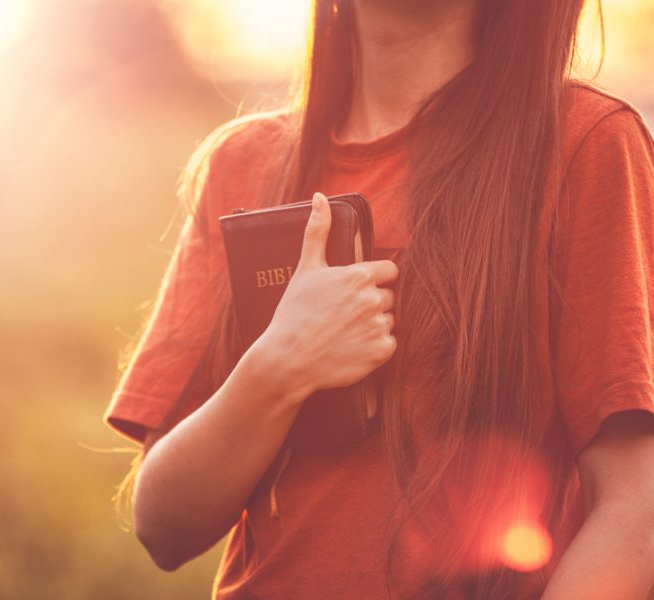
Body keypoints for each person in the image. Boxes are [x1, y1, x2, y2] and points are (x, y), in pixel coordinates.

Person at [103, 0, 654, 597]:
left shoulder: (587, 144)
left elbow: (637, 508)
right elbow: (162, 524)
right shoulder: (243, 165)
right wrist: (278, 367)